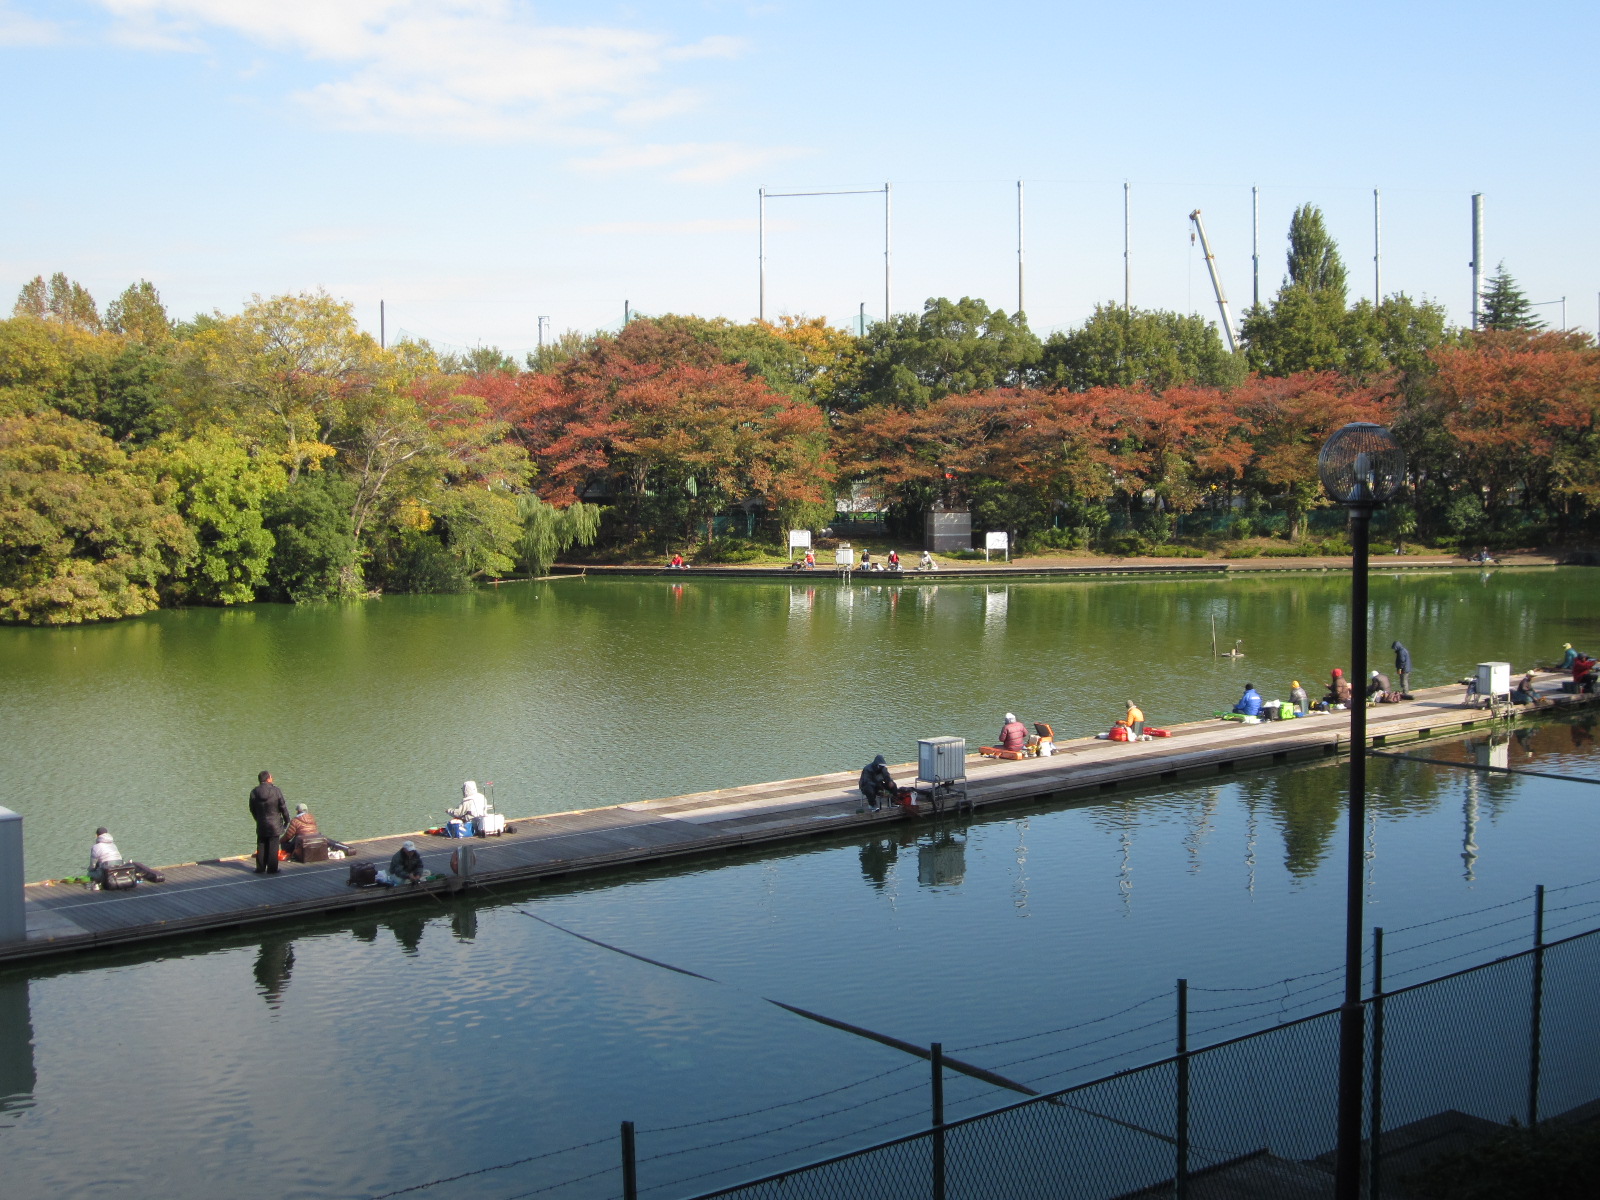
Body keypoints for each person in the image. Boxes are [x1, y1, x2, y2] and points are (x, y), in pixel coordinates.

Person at [249, 770, 291, 875]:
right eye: (271, 777)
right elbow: (283, 807)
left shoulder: (254, 792)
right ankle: (272, 869)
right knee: (273, 846)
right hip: (274, 823)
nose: (272, 779)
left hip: (261, 823)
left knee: (261, 844)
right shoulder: (276, 791)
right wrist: (287, 820)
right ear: (268, 779)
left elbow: (252, 808)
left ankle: (260, 868)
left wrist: (258, 819)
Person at [88, 827, 163, 885]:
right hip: (119, 867)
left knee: (90, 874)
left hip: (107, 870)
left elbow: (92, 866)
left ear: (97, 835)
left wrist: (91, 870)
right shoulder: (113, 844)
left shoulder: (95, 847)